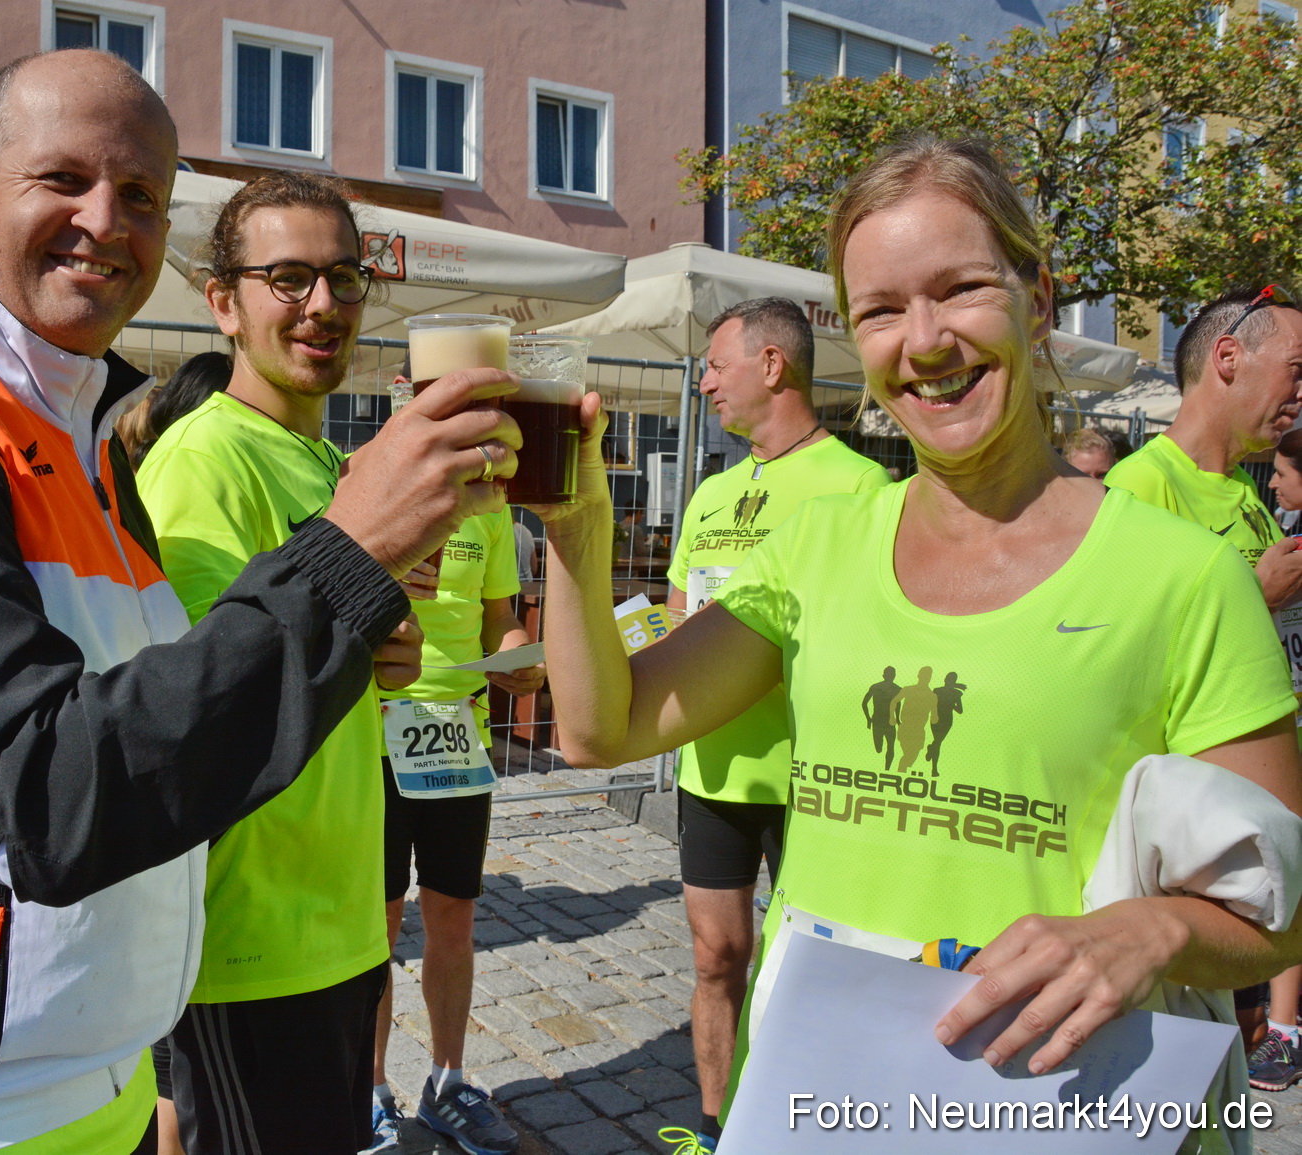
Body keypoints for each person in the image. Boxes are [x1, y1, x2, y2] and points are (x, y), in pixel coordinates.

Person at [0, 50, 520, 1155]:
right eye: (62, 179)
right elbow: (39, 797)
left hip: (90, 1088)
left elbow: (149, 708)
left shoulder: (89, 445)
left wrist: (336, 642)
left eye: (140, 193)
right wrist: (342, 562)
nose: (106, 218)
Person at [535, 137, 1302, 1149]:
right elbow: (604, 726)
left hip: (1068, 1111)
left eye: (959, 289)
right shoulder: (818, 544)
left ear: (1036, 299)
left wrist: (1149, 929)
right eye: (883, 311)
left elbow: (1277, 910)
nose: (926, 340)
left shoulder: (1183, 575)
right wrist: (577, 530)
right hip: (830, 1101)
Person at [138, 171, 507, 1154]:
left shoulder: (320, 461)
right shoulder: (204, 460)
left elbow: (323, 661)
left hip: (337, 930)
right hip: (249, 942)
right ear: (223, 301)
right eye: (288, 277)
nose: (324, 306)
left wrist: (382, 650)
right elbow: (194, 704)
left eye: (343, 278)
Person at [659, 297, 888, 1148]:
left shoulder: (862, 488)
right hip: (712, 771)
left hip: (817, 776)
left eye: (718, 363)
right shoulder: (712, 492)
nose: (706, 380)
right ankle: (717, 1128)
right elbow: (680, 619)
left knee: (817, 974)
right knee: (716, 956)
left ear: (773, 365)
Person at [1105, 285, 1302, 1091]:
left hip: (1250, 838)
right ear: (1229, 359)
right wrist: (1252, 596)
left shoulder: (1251, 503)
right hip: (1181, 864)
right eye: (1297, 368)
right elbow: (1110, 666)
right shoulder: (1139, 489)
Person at [369, 479, 542, 1154]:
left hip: (457, 736)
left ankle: (447, 1082)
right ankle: (371, 1089)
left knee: (453, 916)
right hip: (376, 728)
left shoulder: (493, 505)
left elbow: (499, 614)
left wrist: (518, 656)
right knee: (375, 924)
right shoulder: (378, 475)